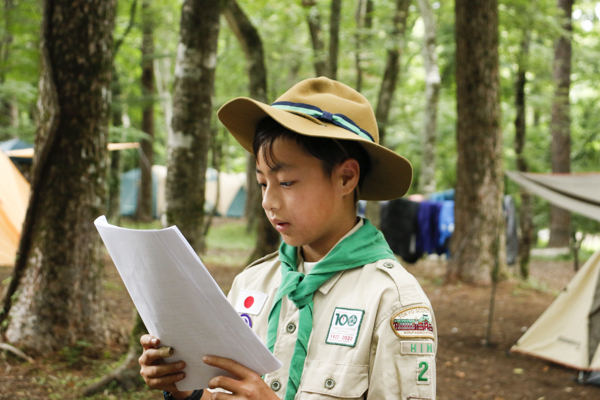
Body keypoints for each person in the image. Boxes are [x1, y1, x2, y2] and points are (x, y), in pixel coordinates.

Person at [139, 77, 437, 400]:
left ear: (346, 177)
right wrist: (184, 387)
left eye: (287, 182)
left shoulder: (392, 301)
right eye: (263, 183)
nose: (268, 202)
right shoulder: (252, 283)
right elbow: (220, 391)